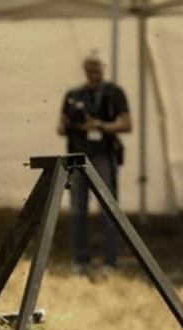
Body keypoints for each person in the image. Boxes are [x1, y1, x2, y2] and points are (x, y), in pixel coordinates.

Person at [56, 53, 131, 275]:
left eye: (97, 67)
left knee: (107, 209)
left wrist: (99, 125)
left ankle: (109, 262)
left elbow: (126, 124)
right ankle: (81, 262)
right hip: (78, 156)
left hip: (103, 155)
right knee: (78, 209)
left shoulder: (114, 93)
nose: (93, 71)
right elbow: (60, 127)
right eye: (89, 67)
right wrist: (74, 124)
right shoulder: (73, 95)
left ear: (104, 68)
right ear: (84, 69)